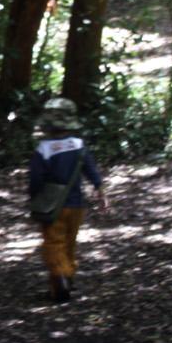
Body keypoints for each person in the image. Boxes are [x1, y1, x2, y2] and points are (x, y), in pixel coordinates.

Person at [27, 97, 107, 302]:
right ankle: (65, 280)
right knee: (69, 243)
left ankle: (61, 278)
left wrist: (34, 198)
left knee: (54, 243)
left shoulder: (43, 149)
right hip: (77, 205)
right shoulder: (78, 145)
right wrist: (100, 188)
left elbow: (36, 178)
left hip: (52, 205)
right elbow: (90, 169)